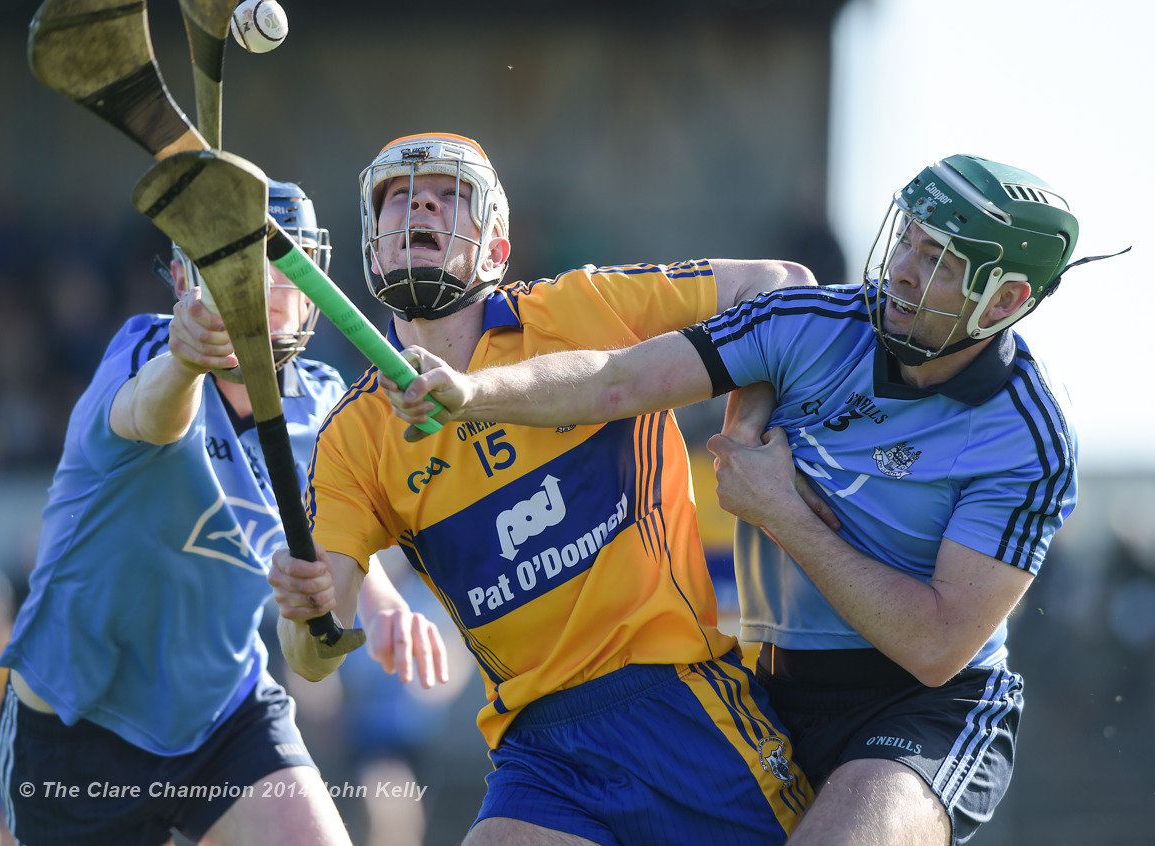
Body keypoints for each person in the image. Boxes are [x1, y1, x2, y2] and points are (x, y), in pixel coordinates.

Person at [386, 154, 1102, 845]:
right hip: (768, 691)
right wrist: (475, 392)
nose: (902, 271)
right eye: (907, 239)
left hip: (922, 711)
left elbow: (936, 645)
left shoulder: (1026, 435)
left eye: (940, 262)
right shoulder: (812, 325)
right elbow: (619, 380)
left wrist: (782, 513)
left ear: (1005, 300)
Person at [269, 132, 818, 846]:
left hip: (678, 702)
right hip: (539, 748)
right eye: (400, 196)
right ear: (374, 249)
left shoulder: (583, 308)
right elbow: (315, 652)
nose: (422, 201)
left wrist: (744, 434)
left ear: (497, 250)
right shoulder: (354, 436)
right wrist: (305, 616)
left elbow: (781, 283)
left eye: (450, 193)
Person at [0, 179, 449, 846]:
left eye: (282, 272)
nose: (261, 293)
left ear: (313, 284)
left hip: (224, 714)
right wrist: (184, 363)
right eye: (234, 272)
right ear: (184, 281)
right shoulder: (144, 354)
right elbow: (150, 416)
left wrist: (382, 608)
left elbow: (333, 527)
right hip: (80, 724)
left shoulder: (324, 405)